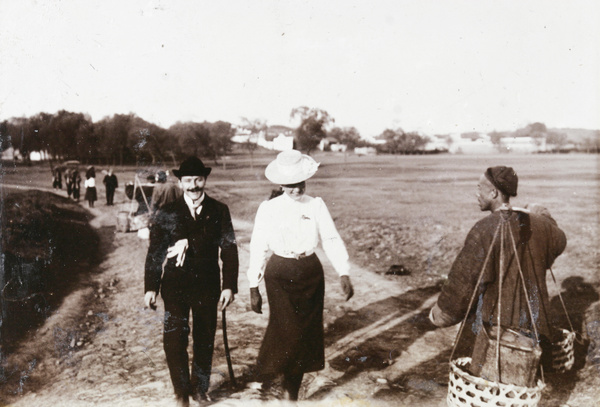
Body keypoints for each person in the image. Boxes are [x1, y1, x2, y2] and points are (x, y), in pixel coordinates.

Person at [429, 166, 567, 368]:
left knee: (491, 388)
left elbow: (465, 282)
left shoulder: (484, 229)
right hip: (536, 328)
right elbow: (559, 241)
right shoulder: (539, 225)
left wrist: (441, 314)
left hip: (497, 333)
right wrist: (541, 214)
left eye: (479, 188)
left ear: (493, 193)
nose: (477, 194)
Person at [247, 149, 354, 401]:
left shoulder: (316, 205)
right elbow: (258, 245)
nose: (296, 189)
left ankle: (291, 391)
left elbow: (330, 238)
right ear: (281, 184)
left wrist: (344, 271)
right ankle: (278, 377)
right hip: (280, 274)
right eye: (290, 185)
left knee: (305, 333)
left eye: (300, 183)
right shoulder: (269, 208)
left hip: (309, 273)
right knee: (288, 331)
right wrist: (254, 285)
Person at [144, 156, 239, 407]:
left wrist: (229, 285)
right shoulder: (167, 213)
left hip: (208, 285)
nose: (194, 185)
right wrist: (151, 287)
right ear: (180, 182)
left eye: (198, 179)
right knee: (175, 340)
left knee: (204, 338)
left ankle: (200, 389)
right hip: (175, 286)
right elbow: (155, 253)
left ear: (205, 179)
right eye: (188, 180)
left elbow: (229, 249)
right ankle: (181, 393)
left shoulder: (219, 210)